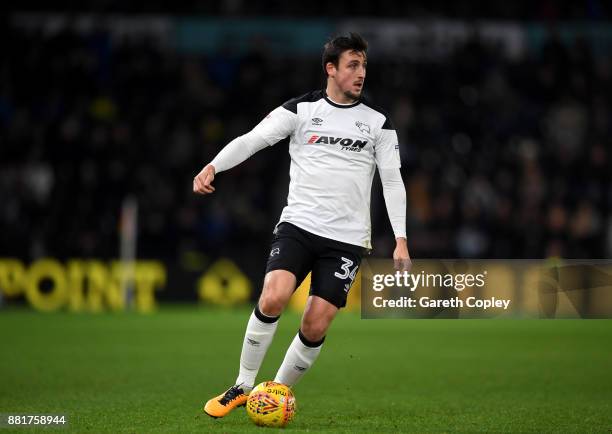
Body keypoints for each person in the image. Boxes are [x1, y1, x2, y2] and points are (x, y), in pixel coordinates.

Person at [193, 32, 411, 418]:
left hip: (346, 240)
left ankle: (274, 391)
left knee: (315, 323)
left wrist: (400, 239)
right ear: (331, 68)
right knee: (273, 296)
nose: (361, 73)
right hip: (299, 225)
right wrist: (213, 165)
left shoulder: (378, 123)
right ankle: (242, 385)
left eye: (364, 65)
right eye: (352, 65)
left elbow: (392, 180)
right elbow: (252, 140)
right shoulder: (301, 110)